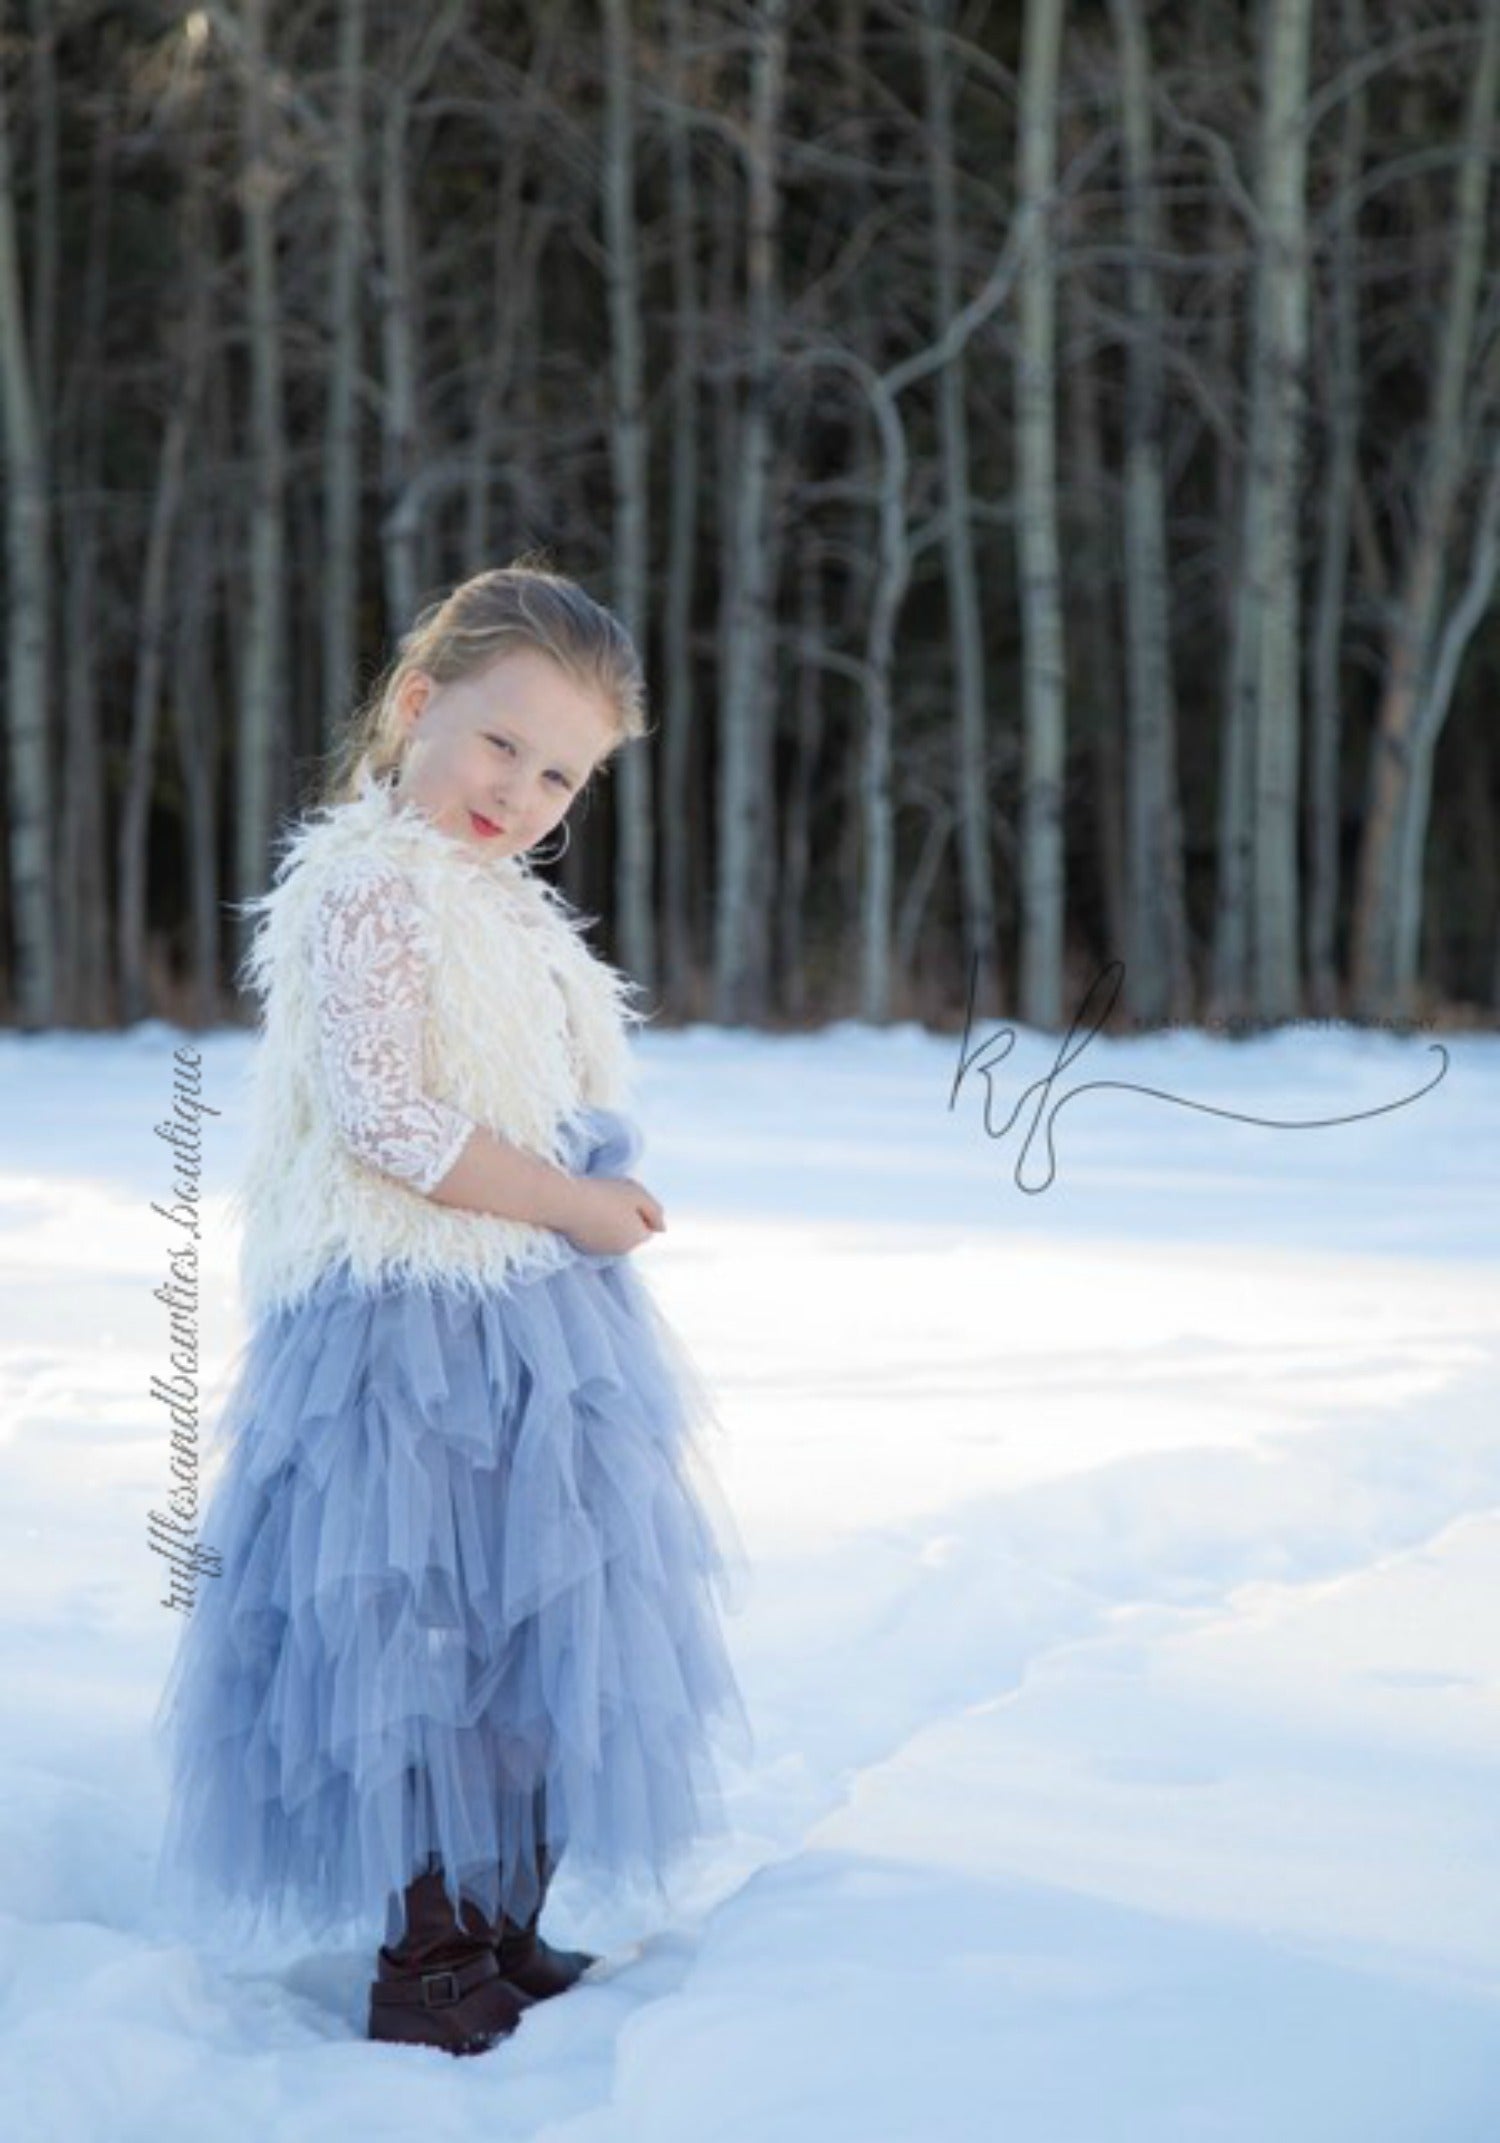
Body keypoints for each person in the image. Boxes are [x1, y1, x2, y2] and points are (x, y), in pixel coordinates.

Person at [149, 562, 754, 2058]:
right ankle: (428, 1960)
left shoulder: (501, 906)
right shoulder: (366, 888)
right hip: (403, 1328)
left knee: (537, 1626)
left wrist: (588, 1185)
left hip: (530, 1322)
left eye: (562, 774)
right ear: (418, 706)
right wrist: (576, 1205)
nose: (523, 790)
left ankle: (503, 1921)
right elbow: (389, 1124)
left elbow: (520, 1088)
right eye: (502, 743)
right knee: (424, 1632)